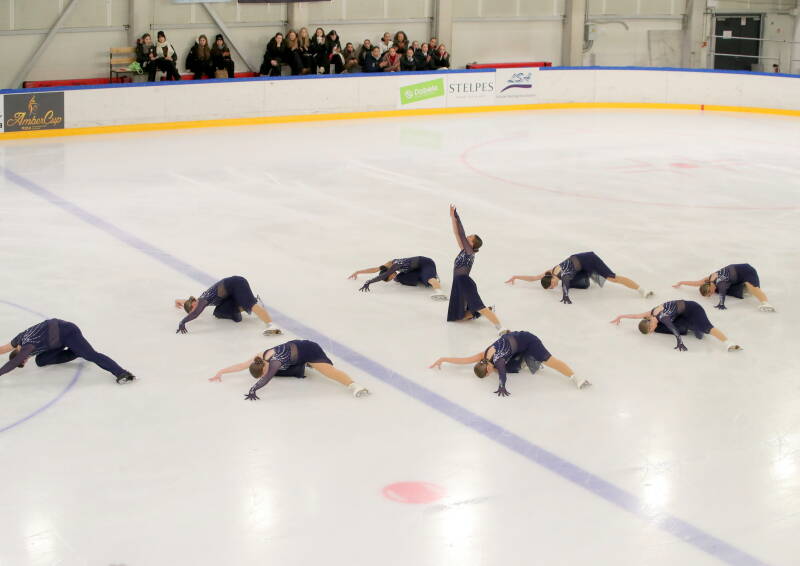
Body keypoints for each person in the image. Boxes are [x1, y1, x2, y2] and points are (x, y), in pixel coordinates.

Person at [429, 331, 589, 397]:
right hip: (515, 342)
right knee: (510, 366)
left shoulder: (498, 362)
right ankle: (527, 360)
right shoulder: (483, 355)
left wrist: (502, 387)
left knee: (551, 361)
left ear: (487, 369)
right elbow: (462, 360)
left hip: (529, 341)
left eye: (488, 373)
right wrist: (443, 359)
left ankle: (575, 378)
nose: (490, 374)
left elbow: (502, 376)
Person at [210, 340, 369, 400]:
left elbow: (266, 379)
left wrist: (252, 390)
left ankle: (354, 386)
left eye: (263, 372)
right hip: (293, 355)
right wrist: (220, 372)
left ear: (264, 367)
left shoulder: (275, 362)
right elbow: (240, 366)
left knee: (329, 372)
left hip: (309, 350)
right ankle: (301, 366)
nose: (265, 375)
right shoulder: (259, 357)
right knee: (276, 373)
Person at [0, 319, 134, 383]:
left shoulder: (27, 347)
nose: (26, 360)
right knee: (40, 361)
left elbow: (13, 363)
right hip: (55, 341)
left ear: (21, 356)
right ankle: (77, 351)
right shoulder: (17, 341)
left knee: (91, 355)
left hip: (67, 332)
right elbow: (2, 349)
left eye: (23, 360)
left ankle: (121, 372)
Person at [505, 252, 653, 304]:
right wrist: (516, 276)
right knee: (580, 282)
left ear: (551, 280)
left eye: (552, 285)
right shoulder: (549, 272)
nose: (553, 287)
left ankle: (641, 289)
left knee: (612, 278)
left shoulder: (562, 273)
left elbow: (565, 283)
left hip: (589, 260)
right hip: (581, 267)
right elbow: (533, 278)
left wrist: (565, 295)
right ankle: (592, 276)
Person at [447, 205, 507, 334]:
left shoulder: (469, 252)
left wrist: (457, 217)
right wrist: (452, 218)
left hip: (464, 282)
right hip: (457, 284)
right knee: (457, 317)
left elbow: (461, 233)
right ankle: (485, 311)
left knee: (480, 306)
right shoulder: (464, 250)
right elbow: (457, 233)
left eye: (470, 237)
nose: (467, 237)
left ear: (472, 244)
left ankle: (500, 328)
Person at [610, 300, 742, 352]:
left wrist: (680, 342)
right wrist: (621, 316)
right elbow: (635, 316)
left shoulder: (663, 317)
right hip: (682, 314)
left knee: (707, 328)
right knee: (698, 334)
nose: (652, 331)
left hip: (693, 309)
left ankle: (728, 343)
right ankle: (692, 327)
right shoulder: (650, 314)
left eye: (650, 330)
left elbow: (674, 331)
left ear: (649, 324)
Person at [175, 275, 281, 335]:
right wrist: (179, 301)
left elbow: (195, 313)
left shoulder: (202, 301)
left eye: (193, 309)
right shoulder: (198, 300)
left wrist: (183, 322)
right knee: (219, 312)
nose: (196, 310)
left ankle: (271, 325)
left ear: (193, 304)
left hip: (236, 284)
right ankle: (242, 306)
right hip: (230, 294)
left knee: (250, 305)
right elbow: (190, 304)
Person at [672, 264, 774, 312]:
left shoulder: (719, 283)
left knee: (752, 287)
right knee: (723, 288)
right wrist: (681, 283)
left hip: (746, 271)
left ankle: (765, 303)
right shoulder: (708, 280)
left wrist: (721, 304)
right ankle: (744, 289)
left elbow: (722, 294)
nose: (712, 294)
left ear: (709, 288)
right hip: (736, 277)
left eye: (709, 294)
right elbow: (696, 283)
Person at [349, 257, 447, 300]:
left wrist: (369, 281)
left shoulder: (395, 265)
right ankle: (426, 278)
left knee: (429, 279)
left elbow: (382, 276)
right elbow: (375, 269)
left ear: (388, 273)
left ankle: (440, 293)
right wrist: (358, 272)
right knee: (400, 278)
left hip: (425, 263)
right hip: (416, 269)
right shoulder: (388, 265)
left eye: (391, 276)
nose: (393, 277)